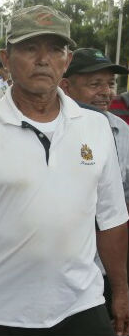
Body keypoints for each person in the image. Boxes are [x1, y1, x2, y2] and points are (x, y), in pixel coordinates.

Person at [0, 5, 129, 336]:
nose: (43, 59)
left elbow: (112, 219)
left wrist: (121, 292)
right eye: (30, 48)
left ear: (67, 58)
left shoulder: (96, 127)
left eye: (55, 49)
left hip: (82, 304)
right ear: (6, 59)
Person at [60, 47, 129, 318]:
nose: (106, 91)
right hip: (56, 269)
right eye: (95, 84)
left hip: (105, 268)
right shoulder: (49, 130)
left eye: (110, 83)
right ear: (66, 86)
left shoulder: (122, 132)